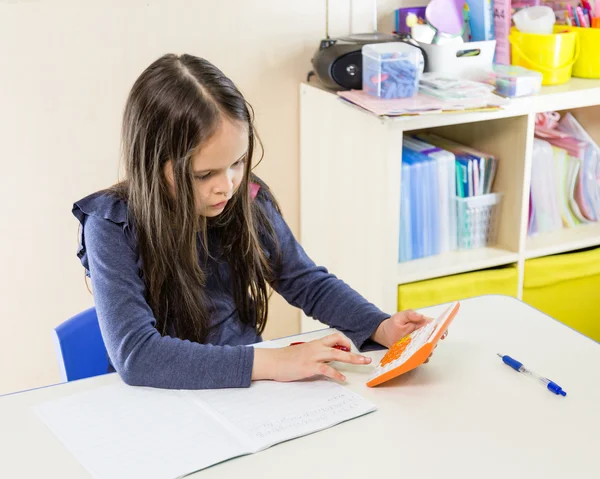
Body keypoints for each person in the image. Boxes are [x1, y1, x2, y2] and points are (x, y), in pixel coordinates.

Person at [72, 53, 431, 390]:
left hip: (248, 390)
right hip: (161, 397)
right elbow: (138, 355)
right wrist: (276, 363)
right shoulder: (110, 226)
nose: (226, 186)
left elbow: (305, 281)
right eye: (204, 174)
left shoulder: (245, 199)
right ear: (152, 164)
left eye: (238, 162)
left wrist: (380, 325)